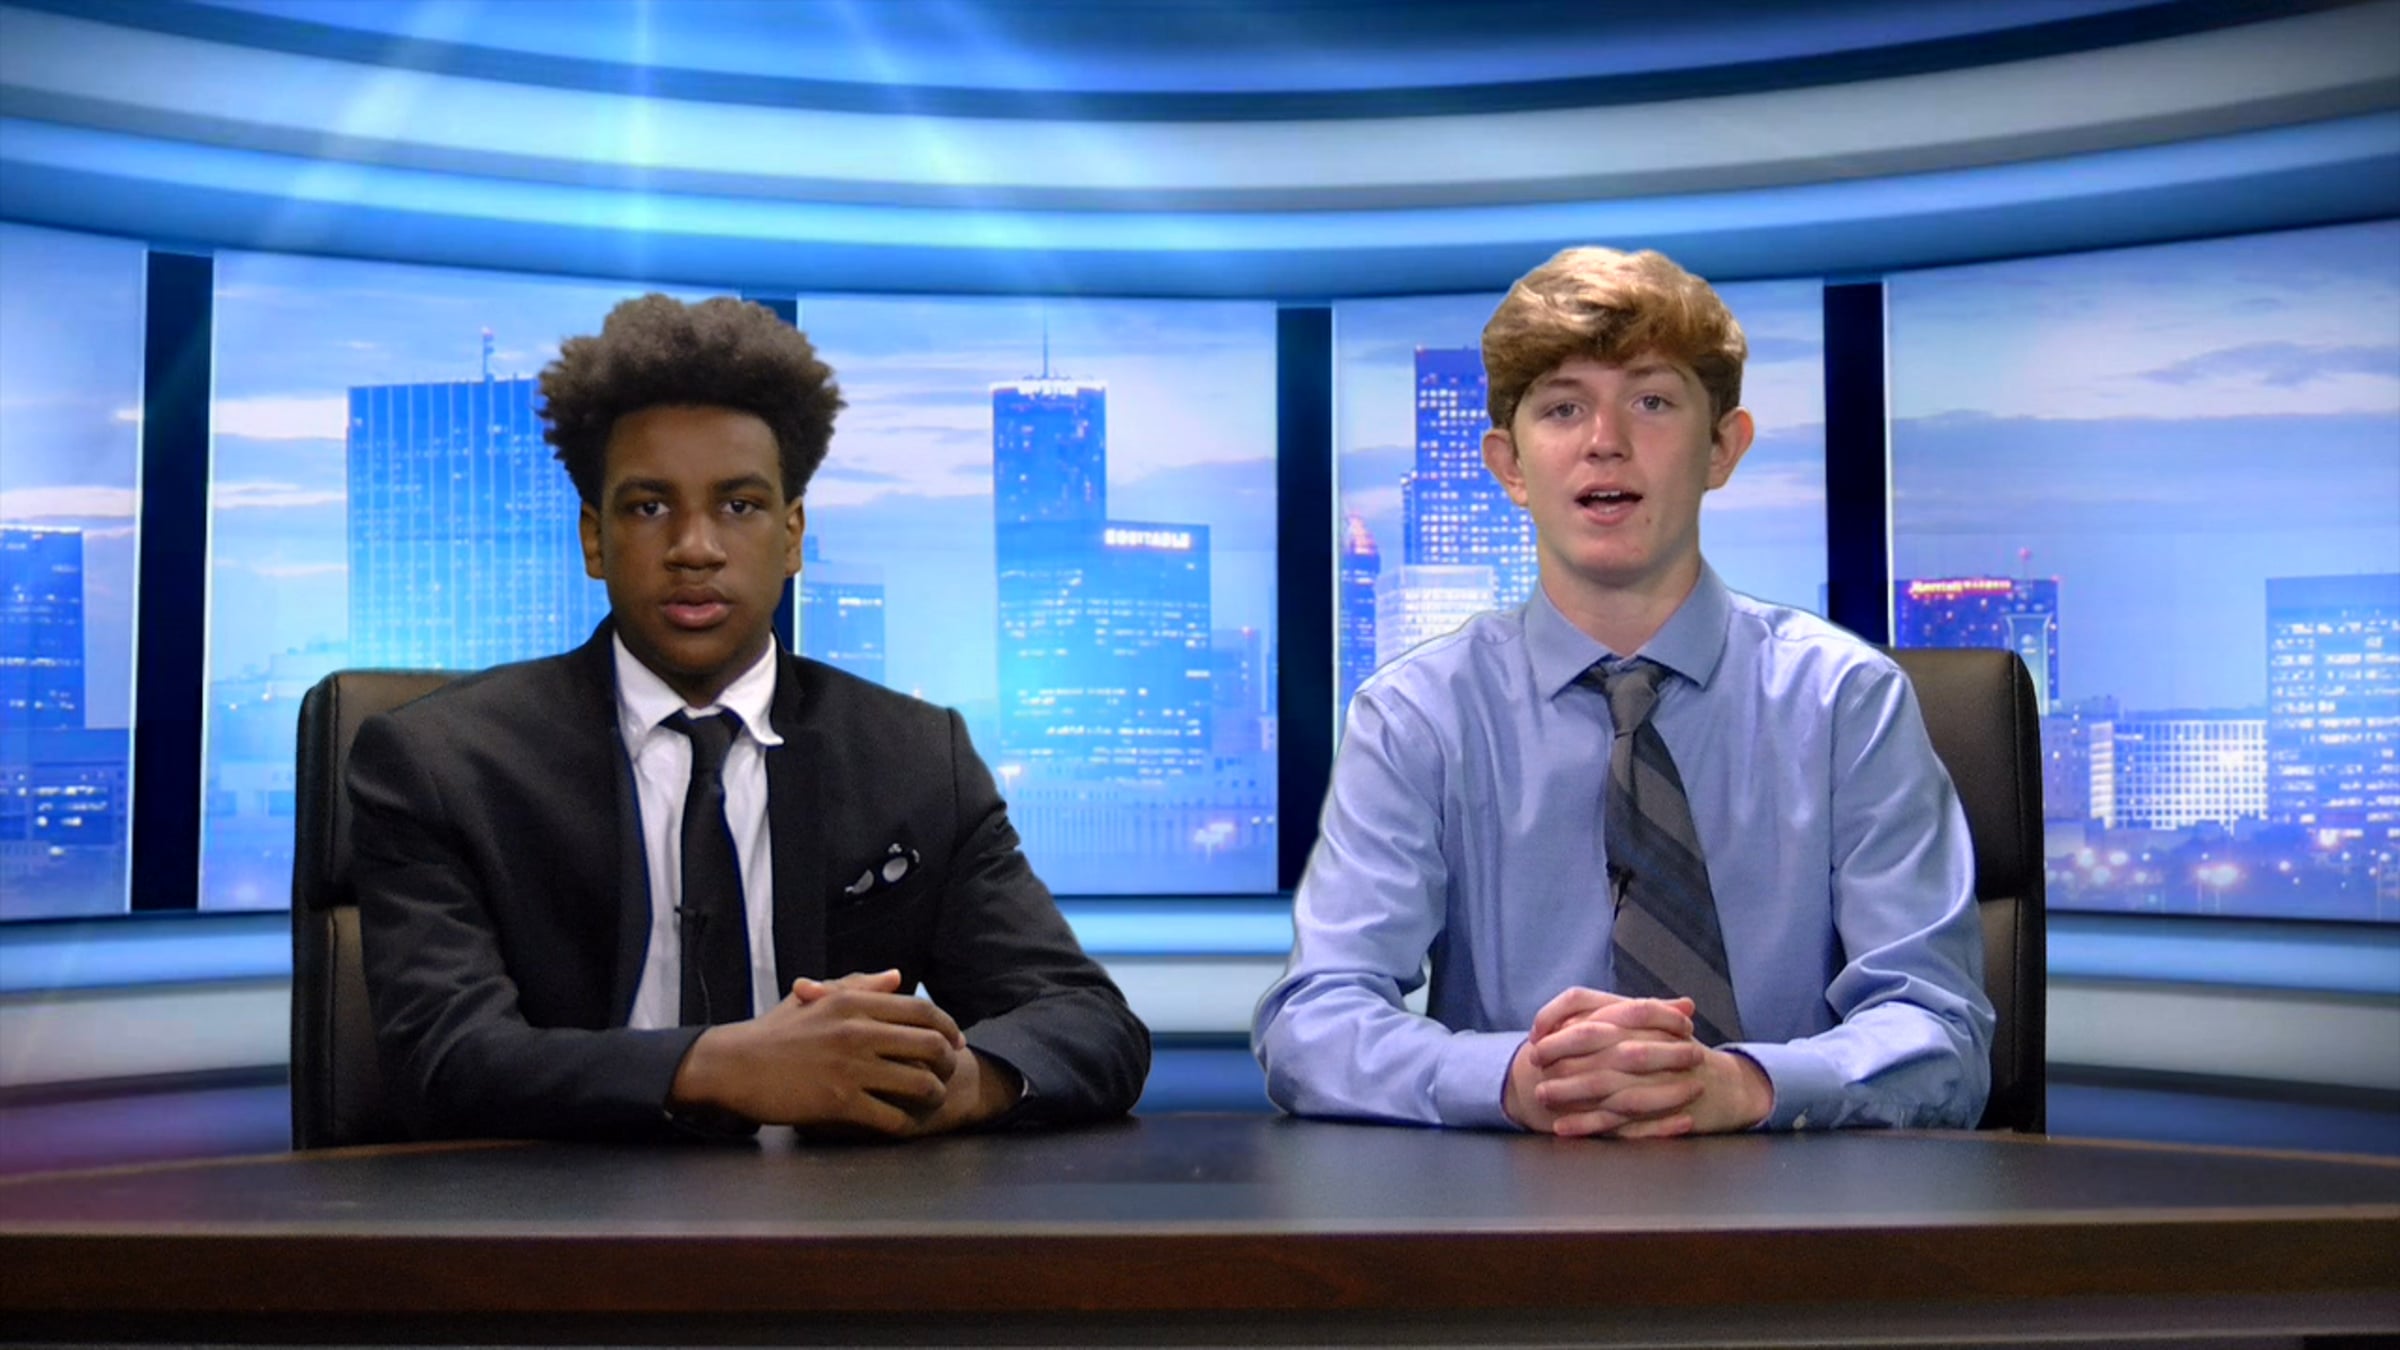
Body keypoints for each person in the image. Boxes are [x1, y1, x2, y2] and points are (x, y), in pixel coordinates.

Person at [350, 294, 1149, 1141]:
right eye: (649, 507)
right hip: (553, 1206)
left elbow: (1090, 1023)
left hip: (838, 1209)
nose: (695, 548)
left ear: (792, 534)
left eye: (738, 506)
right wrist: (726, 1067)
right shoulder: (441, 763)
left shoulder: (917, 758)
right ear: (594, 539)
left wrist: (954, 1083)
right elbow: (445, 1059)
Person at [1254, 248, 1992, 1137]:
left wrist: (1745, 1086)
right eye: (1563, 407)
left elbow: (1941, 1033)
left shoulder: (1848, 704)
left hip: (1792, 1197)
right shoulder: (1418, 717)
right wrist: (1516, 1079)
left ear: (1722, 448)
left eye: (1651, 402)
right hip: (1502, 1202)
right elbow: (1313, 1023)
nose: (1605, 439)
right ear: (1510, 465)